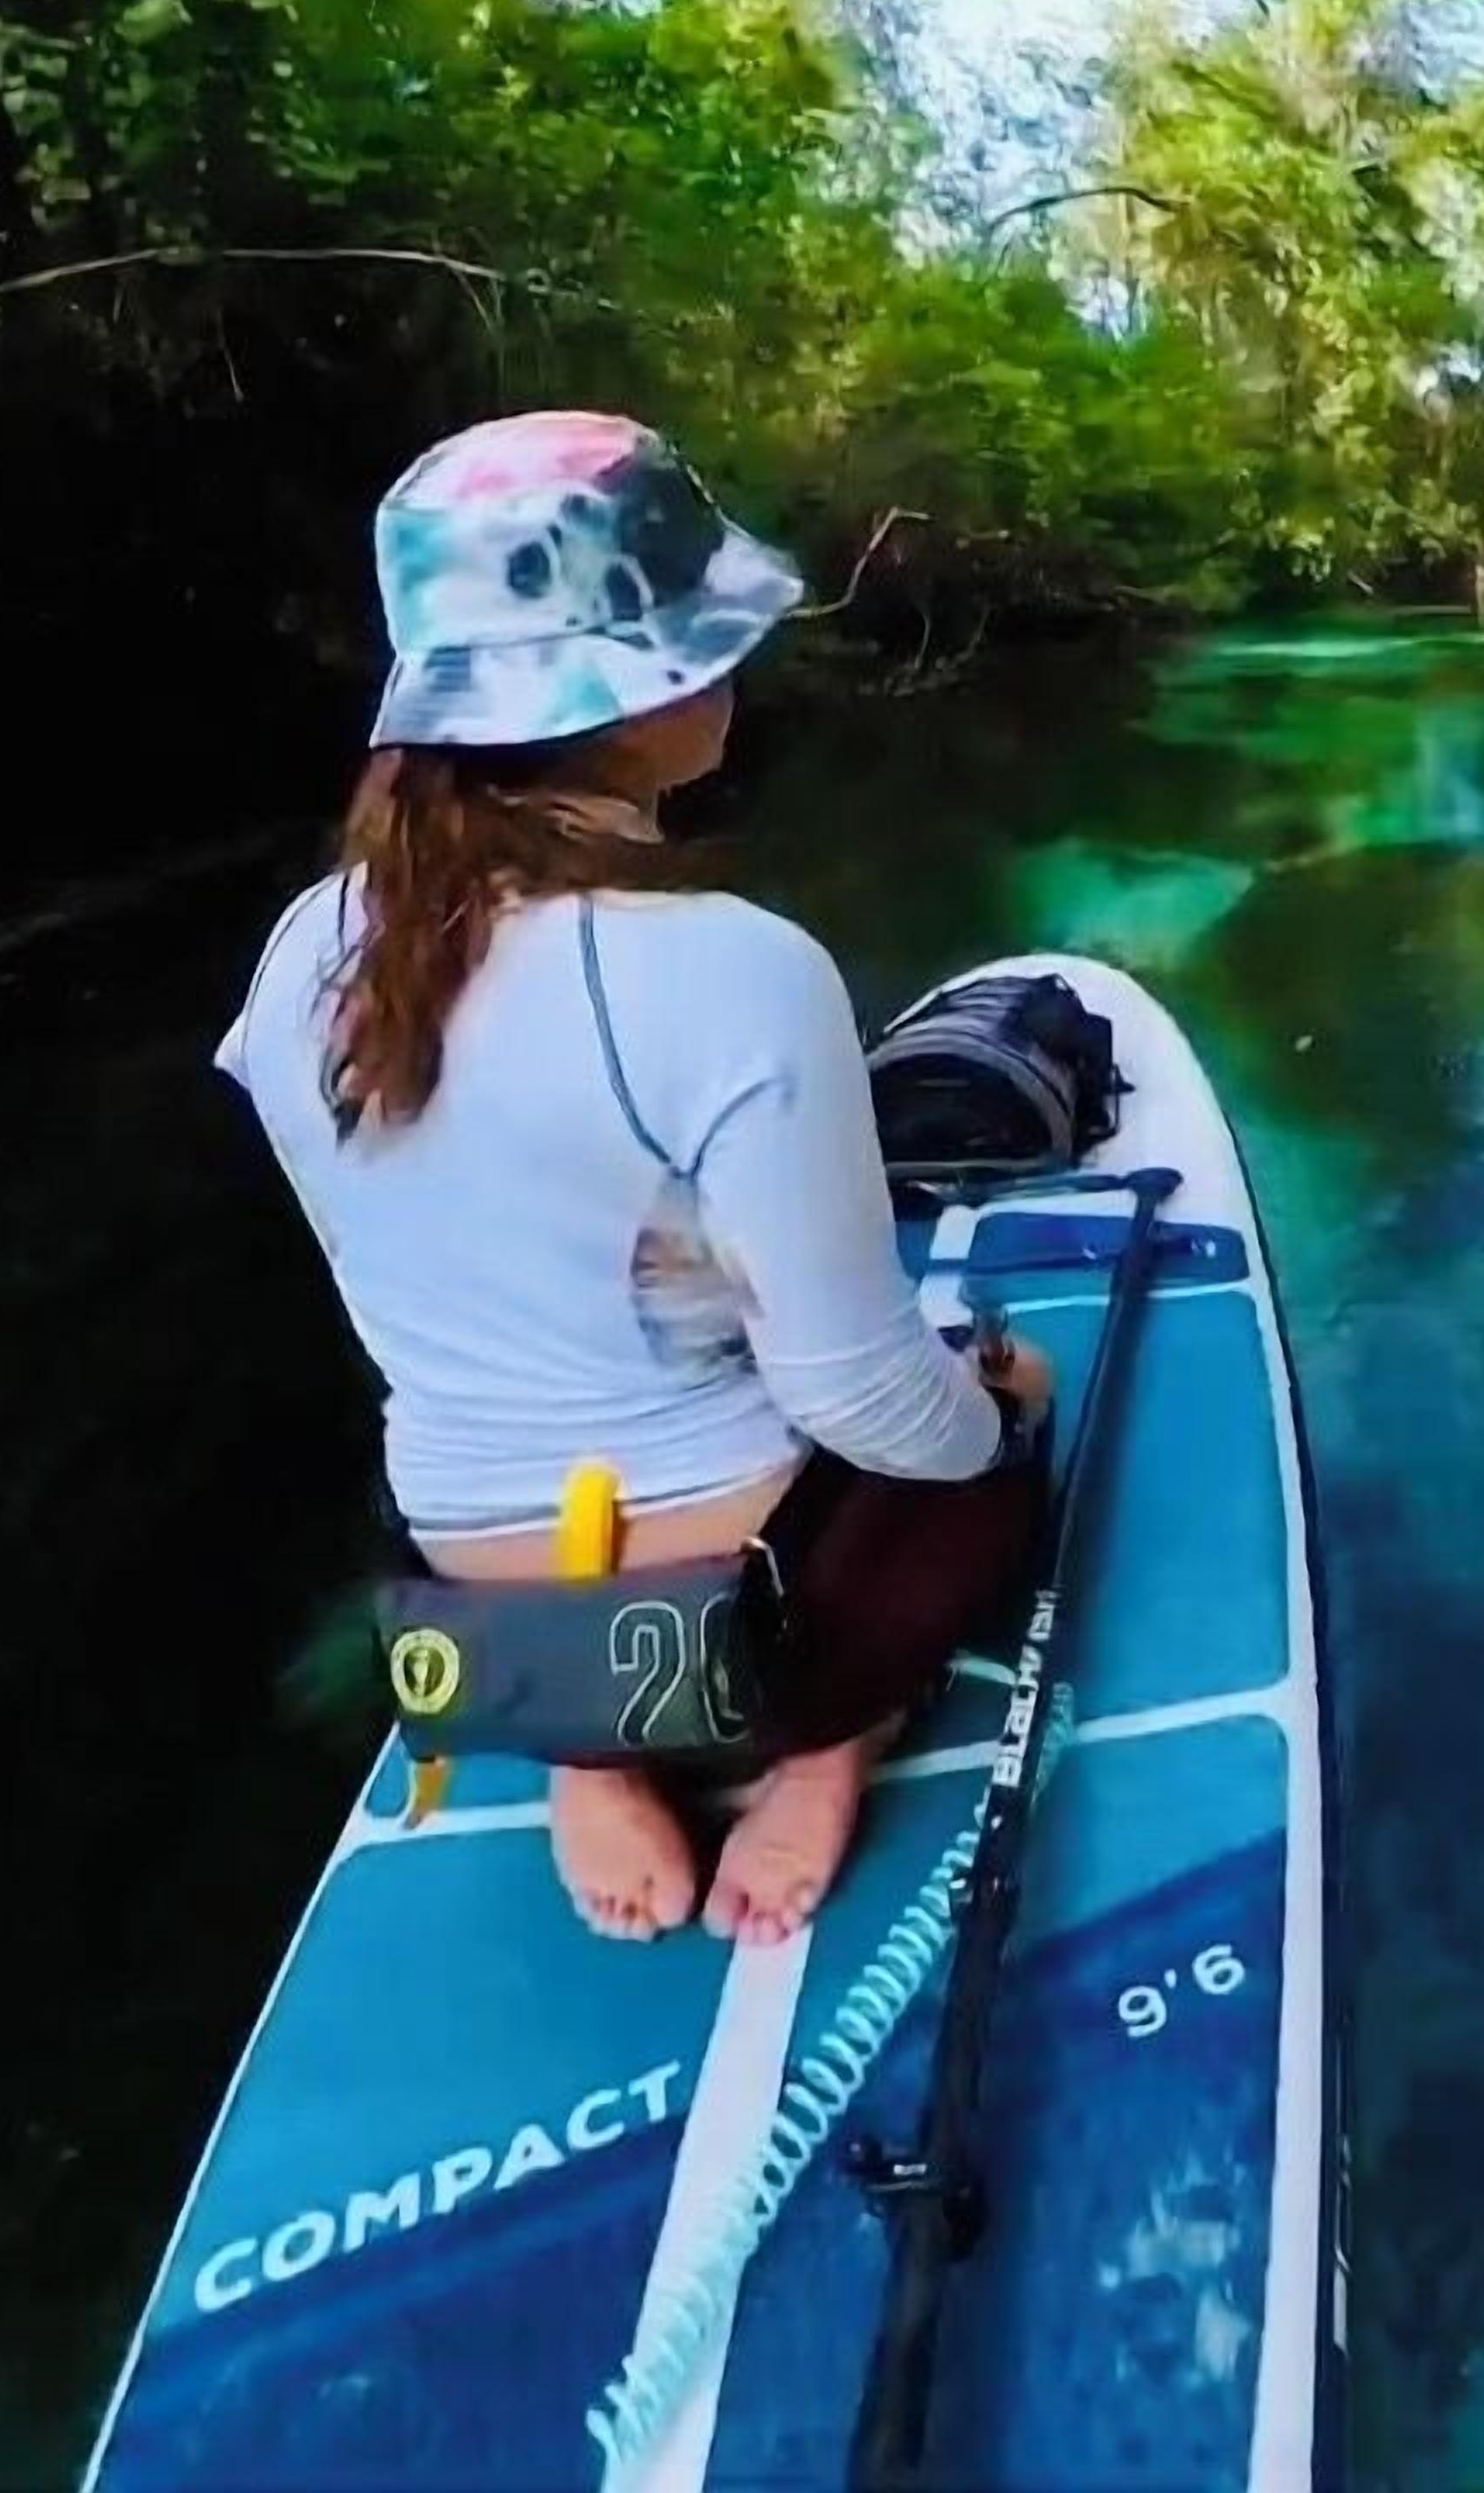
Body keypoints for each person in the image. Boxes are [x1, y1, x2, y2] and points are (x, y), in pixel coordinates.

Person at [217, 409, 1051, 1947]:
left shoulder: (294, 960)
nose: (735, 668)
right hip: (764, 1625)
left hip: (480, 1609)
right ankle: (831, 1744)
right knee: (994, 1423)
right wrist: (997, 1411)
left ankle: (587, 1761)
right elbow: (862, 1399)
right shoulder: (733, 967)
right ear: (643, 694)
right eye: (710, 641)